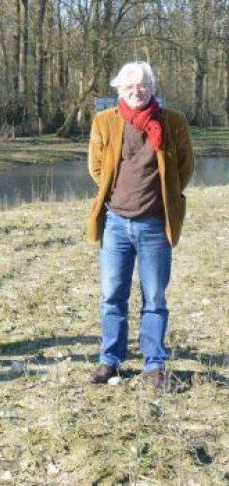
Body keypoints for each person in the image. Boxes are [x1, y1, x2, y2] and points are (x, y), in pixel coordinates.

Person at [87, 61, 194, 389]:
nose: (137, 92)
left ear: (153, 88)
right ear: (119, 89)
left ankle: (154, 365)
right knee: (112, 296)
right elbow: (96, 167)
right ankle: (111, 361)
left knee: (155, 298)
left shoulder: (172, 123)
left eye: (143, 86)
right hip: (116, 224)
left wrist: (168, 200)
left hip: (154, 226)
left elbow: (186, 168)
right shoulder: (105, 122)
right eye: (129, 86)